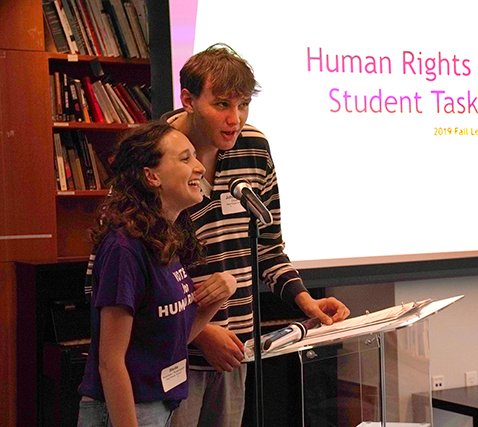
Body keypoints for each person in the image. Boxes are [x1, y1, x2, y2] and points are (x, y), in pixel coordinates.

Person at [164, 44, 351, 427]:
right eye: (222, 105)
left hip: (236, 352)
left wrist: (306, 302)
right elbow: (146, 267)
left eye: (243, 105)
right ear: (188, 99)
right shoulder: (156, 152)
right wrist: (201, 333)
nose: (234, 119)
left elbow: (268, 246)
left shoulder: (254, 147)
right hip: (174, 353)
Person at [77, 121, 237, 426]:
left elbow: (174, 339)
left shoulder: (162, 238)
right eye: (185, 158)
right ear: (152, 176)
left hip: (159, 405)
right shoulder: (124, 249)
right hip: (126, 410)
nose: (200, 168)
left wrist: (218, 297)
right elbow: (110, 362)